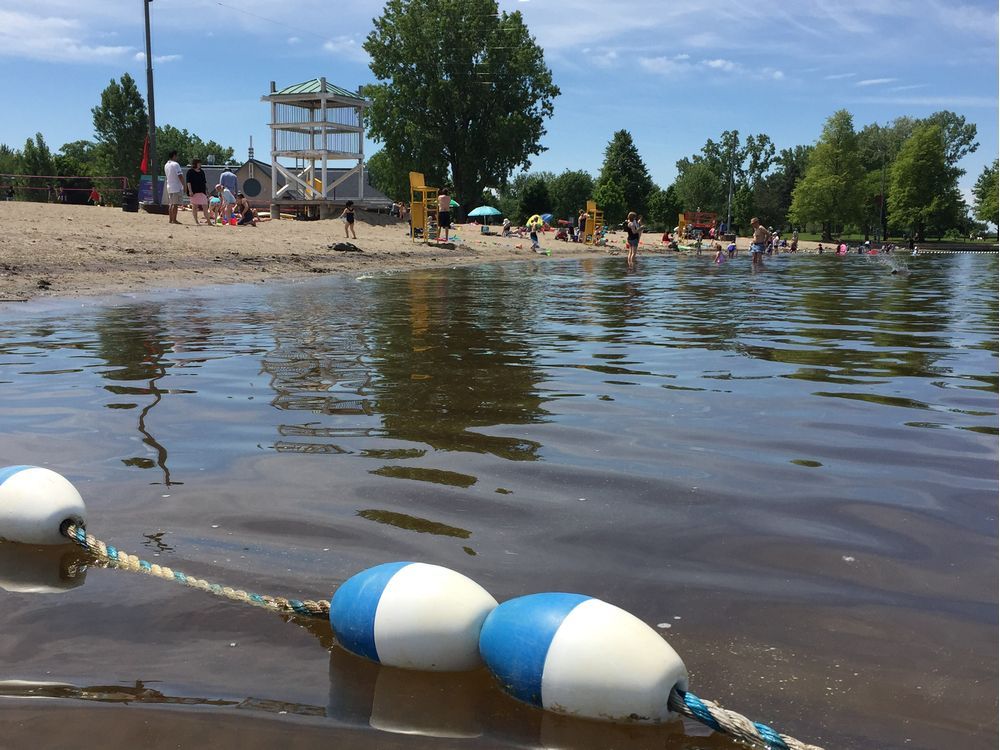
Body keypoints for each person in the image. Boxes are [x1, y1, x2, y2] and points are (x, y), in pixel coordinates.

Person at [185, 158, 212, 226]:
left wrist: (207, 191)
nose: (200, 164)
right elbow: (188, 182)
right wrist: (190, 191)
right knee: (195, 206)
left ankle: (209, 221)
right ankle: (196, 221)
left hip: (202, 191)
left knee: (205, 206)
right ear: (195, 163)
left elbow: (204, 182)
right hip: (194, 192)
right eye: (199, 163)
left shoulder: (202, 172)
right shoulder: (190, 172)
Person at [164, 150, 185, 225]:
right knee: (175, 204)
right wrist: (184, 185)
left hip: (169, 185)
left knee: (171, 203)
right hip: (176, 186)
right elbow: (180, 176)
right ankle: (174, 219)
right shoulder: (176, 164)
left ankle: (170, 219)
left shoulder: (166, 165)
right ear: (174, 156)